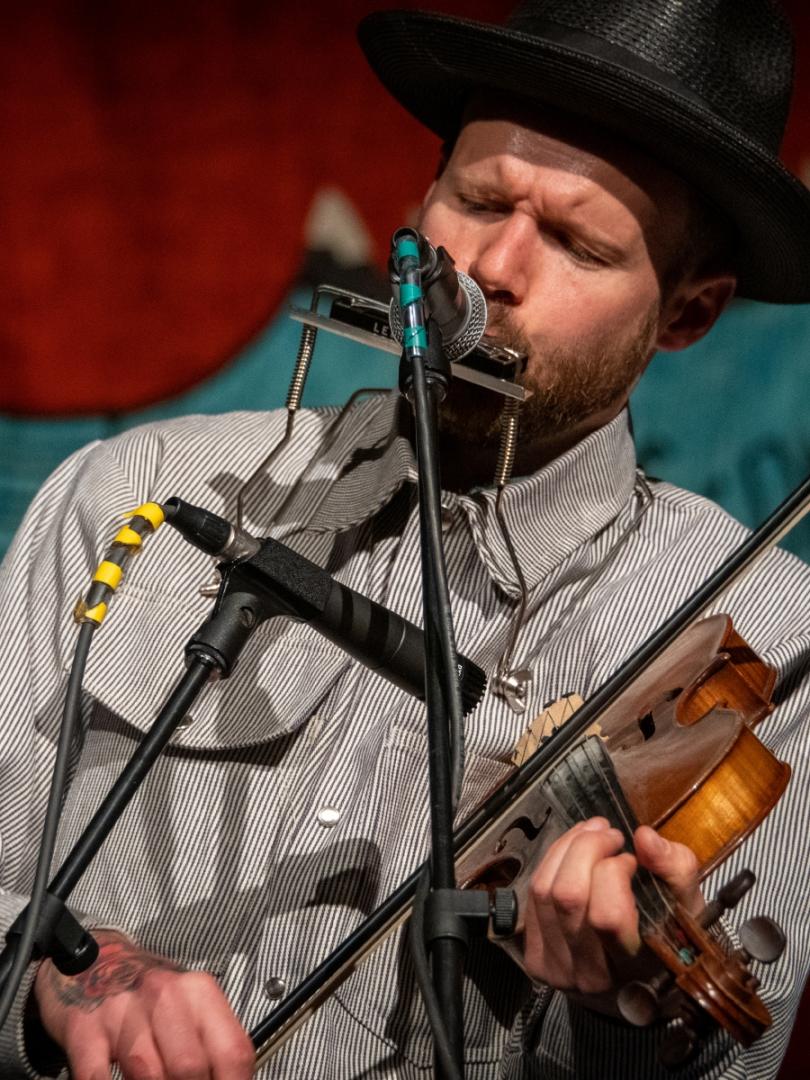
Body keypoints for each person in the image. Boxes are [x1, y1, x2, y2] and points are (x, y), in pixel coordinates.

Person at [1, 1, 808, 1077]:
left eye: (576, 242)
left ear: (688, 314)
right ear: (419, 204)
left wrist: (623, 1012)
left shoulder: (769, 634)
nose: (490, 269)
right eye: (475, 201)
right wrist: (74, 975)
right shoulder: (139, 488)